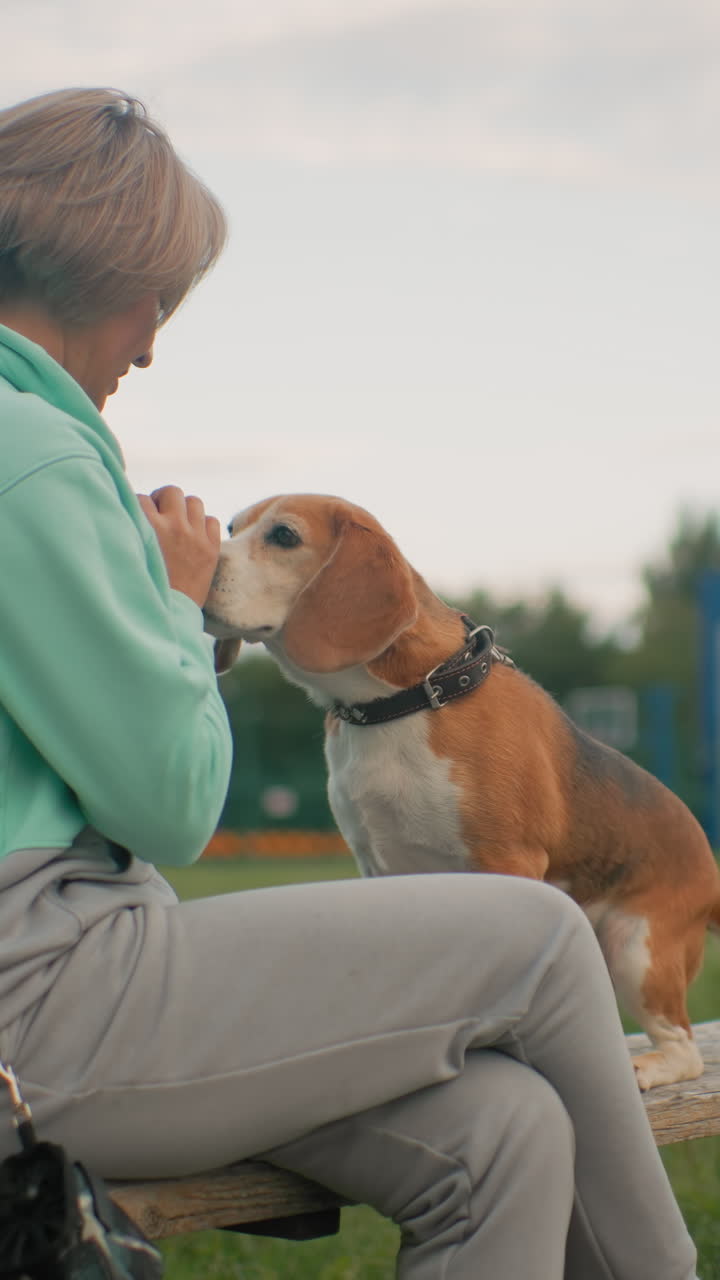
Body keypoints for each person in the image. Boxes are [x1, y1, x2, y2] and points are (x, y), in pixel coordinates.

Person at [0, 87, 699, 1280]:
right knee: (532, 934)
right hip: (44, 1001)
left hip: (68, 981)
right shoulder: (37, 451)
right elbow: (168, 805)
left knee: (506, 1132)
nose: (153, 344)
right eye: (158, 301)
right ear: (107, 268)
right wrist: (175, 603)